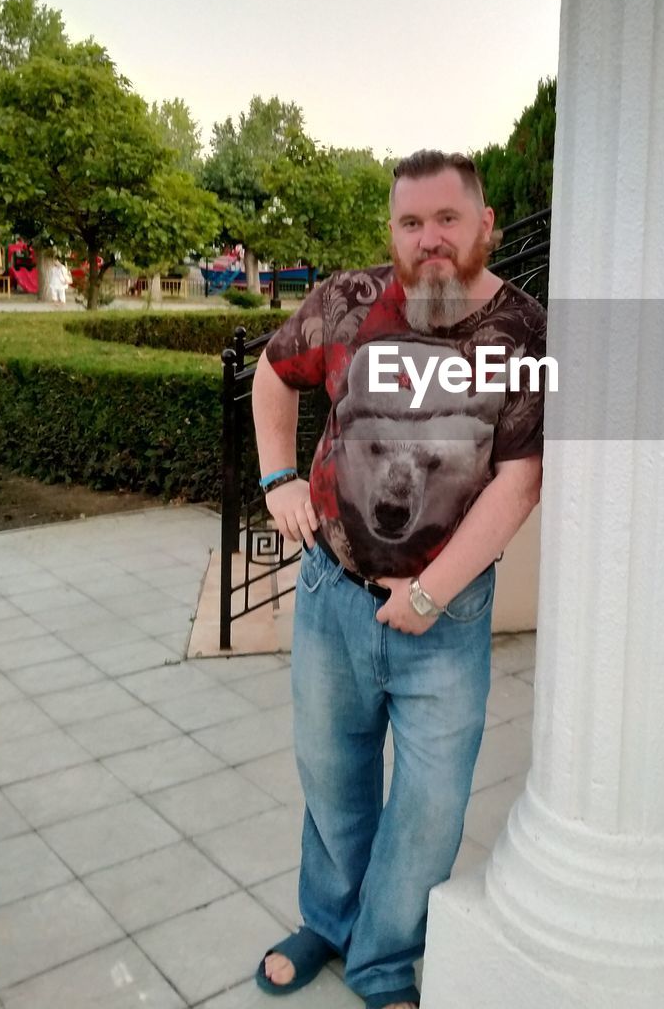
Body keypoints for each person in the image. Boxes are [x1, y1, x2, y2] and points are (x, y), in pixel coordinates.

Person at [251, 149, 546, 1008]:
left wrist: (428, 595)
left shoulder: (522, 333)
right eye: (412, 223)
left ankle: (381, 960)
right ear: (393, 231)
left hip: (445, 619)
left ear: (484, 225)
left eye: (448, 220)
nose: (431, 241)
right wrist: (278, 481)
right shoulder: (343, 302)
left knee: (430, 811)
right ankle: (328, 921)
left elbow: (519, 482)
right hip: (331, 596)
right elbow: (274, 372)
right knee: (331, 775)